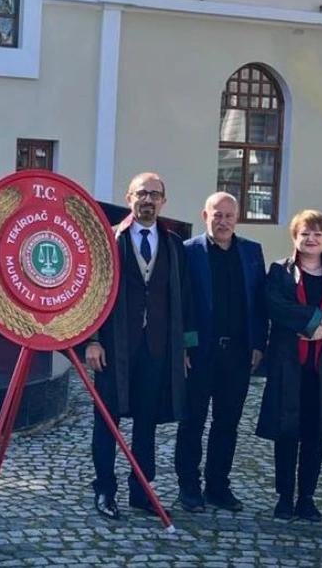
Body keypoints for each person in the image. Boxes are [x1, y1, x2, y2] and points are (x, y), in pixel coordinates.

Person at [84, 173, 195, 520]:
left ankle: (141, 490)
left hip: (158, 349)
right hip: (115, 347)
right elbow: (93, 293)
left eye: (155, 194)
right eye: (142, 193)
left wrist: (185, 349)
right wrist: (92, 340)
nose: (148, 200)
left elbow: (186, 300)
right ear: (129, 197)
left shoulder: (175, 245)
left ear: (164, 201)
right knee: (107, 422)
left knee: (147, 423)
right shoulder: (108, 241)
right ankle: (105, 489)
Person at [256, 210, 322, 522]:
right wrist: (317, 318)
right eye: (305, 233)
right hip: (289, 366)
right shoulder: (280, 271)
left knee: (315, 435)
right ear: (295, 237)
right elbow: (276, 307)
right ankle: (284, 498)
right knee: (286, 433)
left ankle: (307, 498)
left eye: (317, 234)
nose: (311, 239)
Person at [173, 192, 267, 513]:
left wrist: (258, 344)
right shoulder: (188, 252)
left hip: (238, 353)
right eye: (217, 215)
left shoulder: (252, 253)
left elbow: (259, 303)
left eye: (229, 215)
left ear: (237, 217)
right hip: (200, 352)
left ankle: (217, 486)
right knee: (192, 421)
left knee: (227, 423)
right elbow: (181, 302)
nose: (223, 221)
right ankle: (188, 486)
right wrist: (185, 344)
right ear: (205, 215)